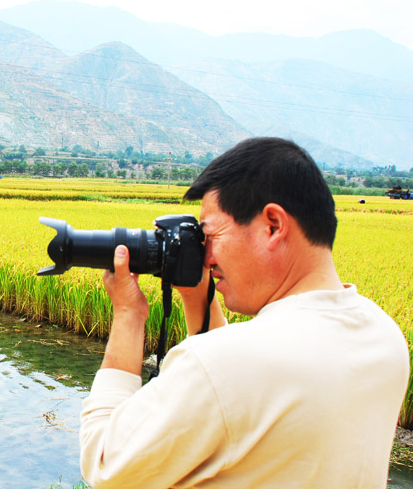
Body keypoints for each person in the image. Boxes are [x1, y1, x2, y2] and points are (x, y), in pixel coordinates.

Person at [79, 138, 409, 488]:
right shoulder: (384, 336)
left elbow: (105, 465)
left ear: (273, 225)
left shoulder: (221, 364)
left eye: (209, 234)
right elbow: (235, 406)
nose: (205, 256)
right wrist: (197, 296)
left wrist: (129, 315)